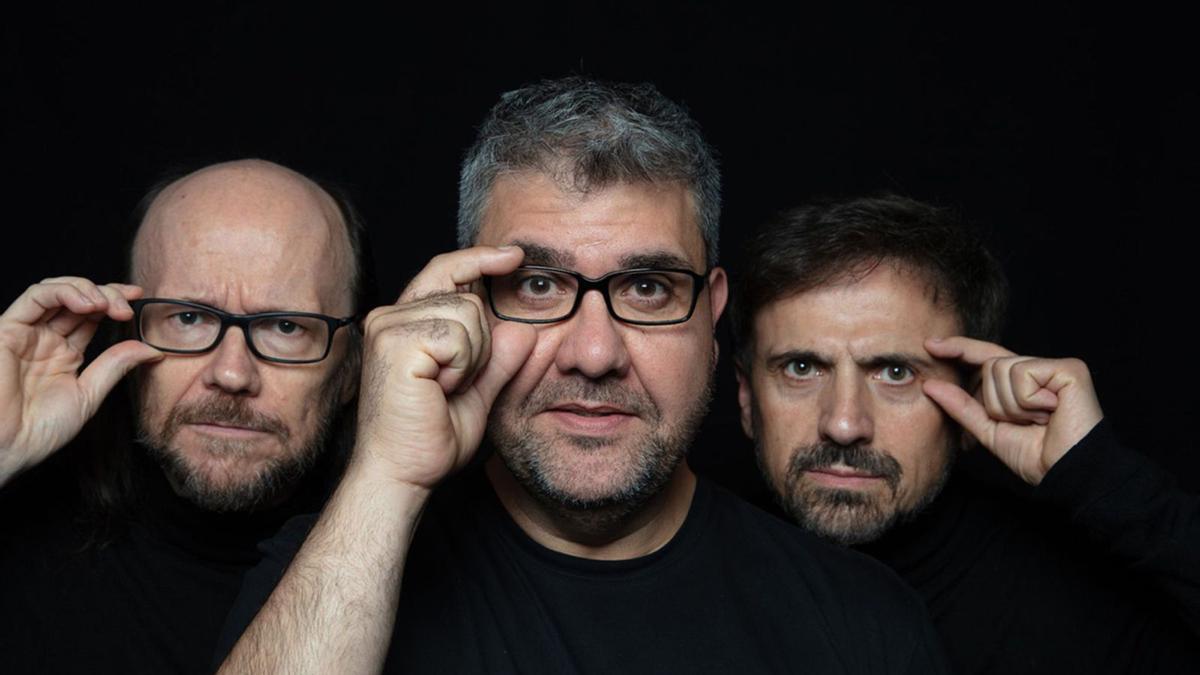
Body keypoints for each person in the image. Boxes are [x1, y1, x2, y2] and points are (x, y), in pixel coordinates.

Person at [217, 78, 948, 674]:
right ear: (462, 305)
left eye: (647, 289)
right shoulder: (329, 563)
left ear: (713, 316)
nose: (594, 353)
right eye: (538, 286)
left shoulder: (860, 622)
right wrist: (385, 478)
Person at [732, 194, 1200, 674]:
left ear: (972, 402)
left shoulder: (1074, 604)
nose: (845, 424)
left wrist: (1100, 474)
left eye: (895, 371)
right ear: (747, 399)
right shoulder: (684, 572)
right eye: (802, 367)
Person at [0, 159, 369, 674]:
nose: (233, 374)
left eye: (285, 326)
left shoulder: (443, 570)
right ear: (124, 334)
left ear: (351, 368)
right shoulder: (23, 549)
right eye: (188, 318)